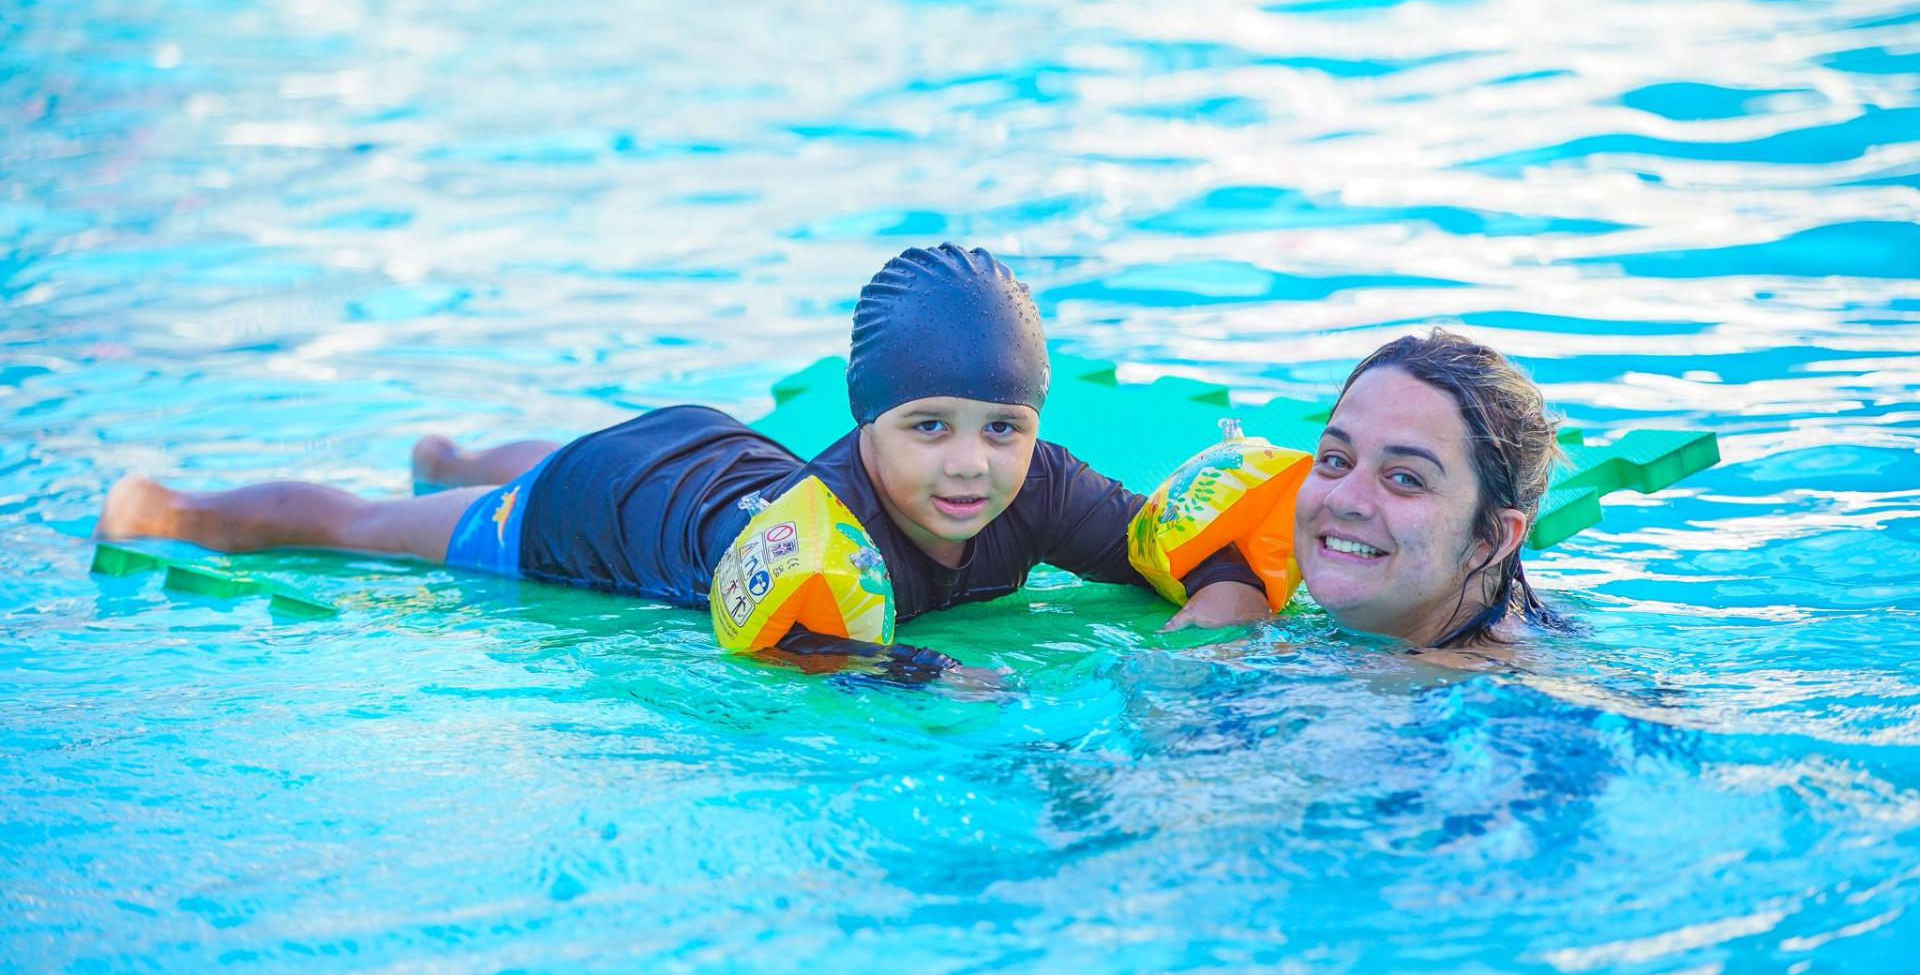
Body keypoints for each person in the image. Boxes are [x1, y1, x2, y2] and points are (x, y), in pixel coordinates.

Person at [96, 244, 1270, 678]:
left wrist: (1204, 631)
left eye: (1000, 426)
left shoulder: (1040, 480)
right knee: (376, 529)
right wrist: (919, 671)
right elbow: (804, 645)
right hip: (591, 510)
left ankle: (449, 450)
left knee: (540, 460)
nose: (971, 466)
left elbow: (1187, 552)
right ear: (865, 425)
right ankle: (170, 507)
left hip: (699, 449)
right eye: (929, 427)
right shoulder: (815, 534)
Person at [1292, 327, 1574, 657]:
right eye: (1336, 460)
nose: (1342, 499)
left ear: (1490, 538)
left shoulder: (1488, 687)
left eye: (1405, 478)